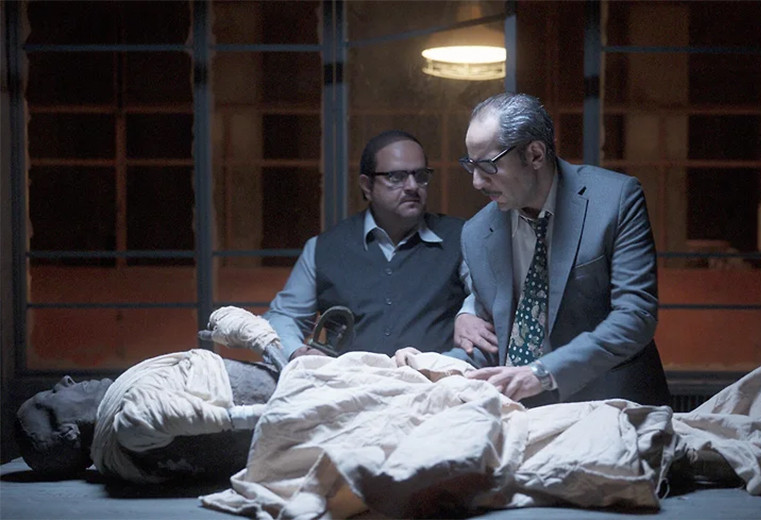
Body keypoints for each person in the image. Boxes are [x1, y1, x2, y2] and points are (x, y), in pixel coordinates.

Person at [405, 92, 671, 408]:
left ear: (534, 154)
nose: (476, 182)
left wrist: (542, 373)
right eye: (470, 165)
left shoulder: (615, 200)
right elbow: (491, 342)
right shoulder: (477, 233)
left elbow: (636, 317)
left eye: (488, 165)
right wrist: (429, 366)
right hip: (524, 414)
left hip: (617, 406)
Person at [264, 130, 473, 360]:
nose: (412, 186)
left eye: (421, 175)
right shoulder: (324, 248)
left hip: (434, 378)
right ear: (366, 185)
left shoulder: (461, 238)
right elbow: (283, 316)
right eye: (396, 177)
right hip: (346, 380)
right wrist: (298, 353)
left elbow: (487, 307)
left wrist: (446, 361)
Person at [14, 307, 288, 483]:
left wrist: (263, 343)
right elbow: (173, 415)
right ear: (68, 433)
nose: (65, 381)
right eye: (52, 396)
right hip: (292, 407)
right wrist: (284, 405)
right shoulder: (129, 424)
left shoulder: (126, 440)